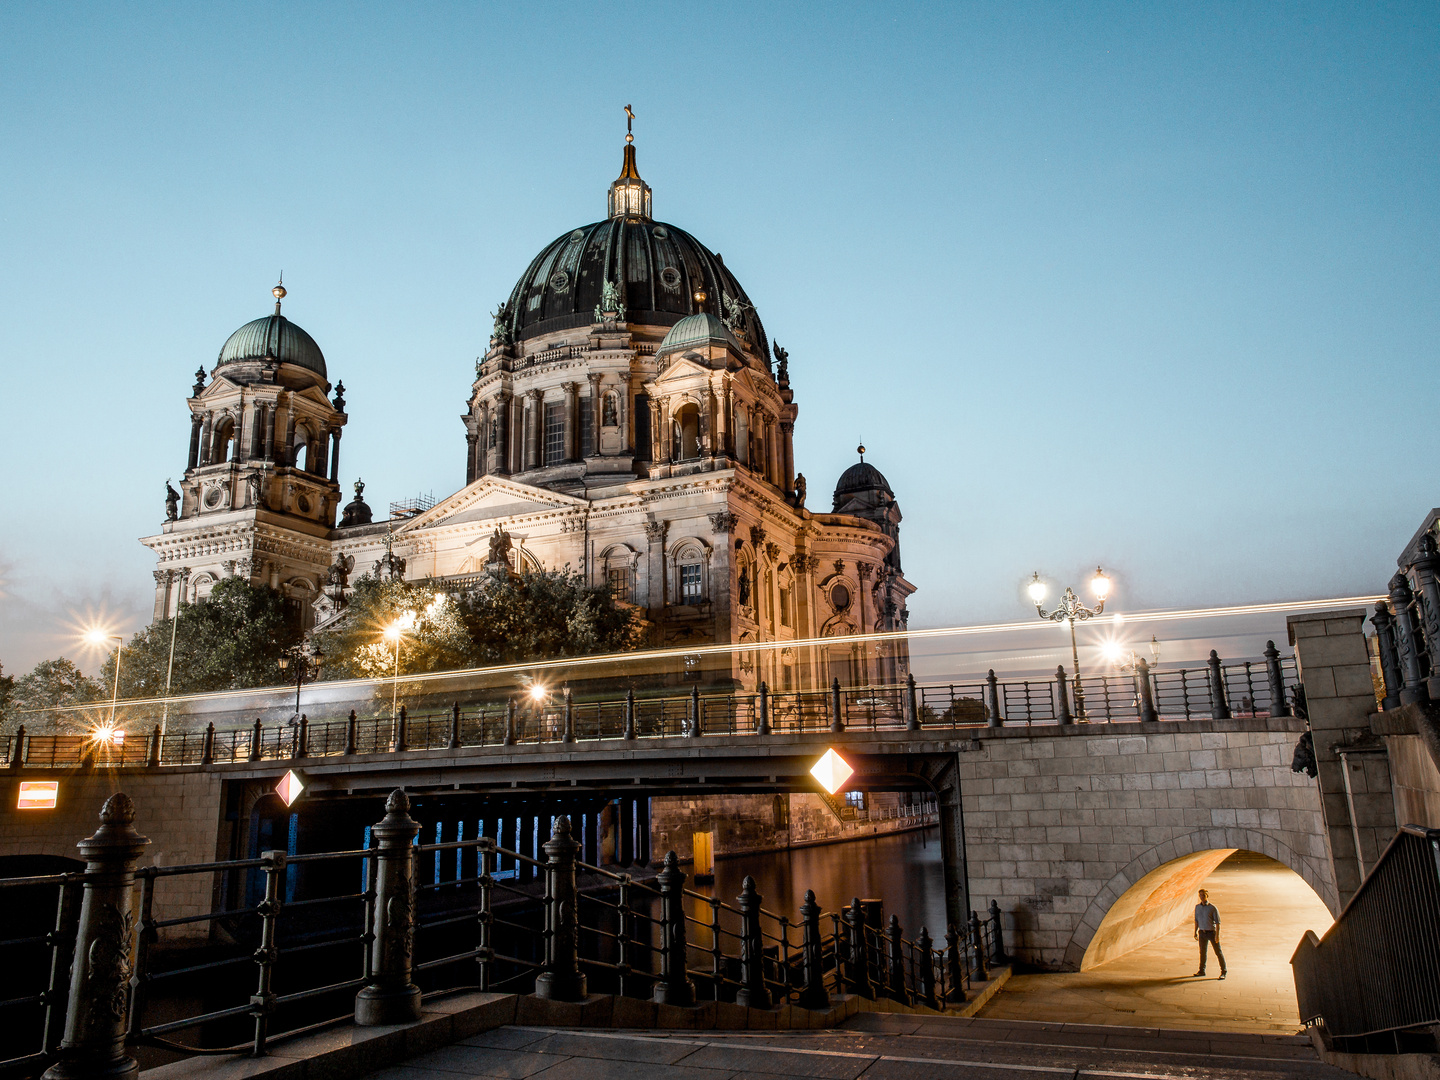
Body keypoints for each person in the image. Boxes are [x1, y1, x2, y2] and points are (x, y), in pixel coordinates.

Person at [1193, 888, 1227, 979]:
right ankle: (1201, 970)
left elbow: (1217, 922)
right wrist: (1195, 932)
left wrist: (1217, 936)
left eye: (1203, 895)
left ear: (1207, 896)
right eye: (1200, 895)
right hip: (1202, 933)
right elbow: (1196, 920)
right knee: (1202, 953)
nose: (1201, 897)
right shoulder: (1197, 907)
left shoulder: (1212, 908)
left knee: (1218, 952)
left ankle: (1223, 971)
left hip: (1211, 932)